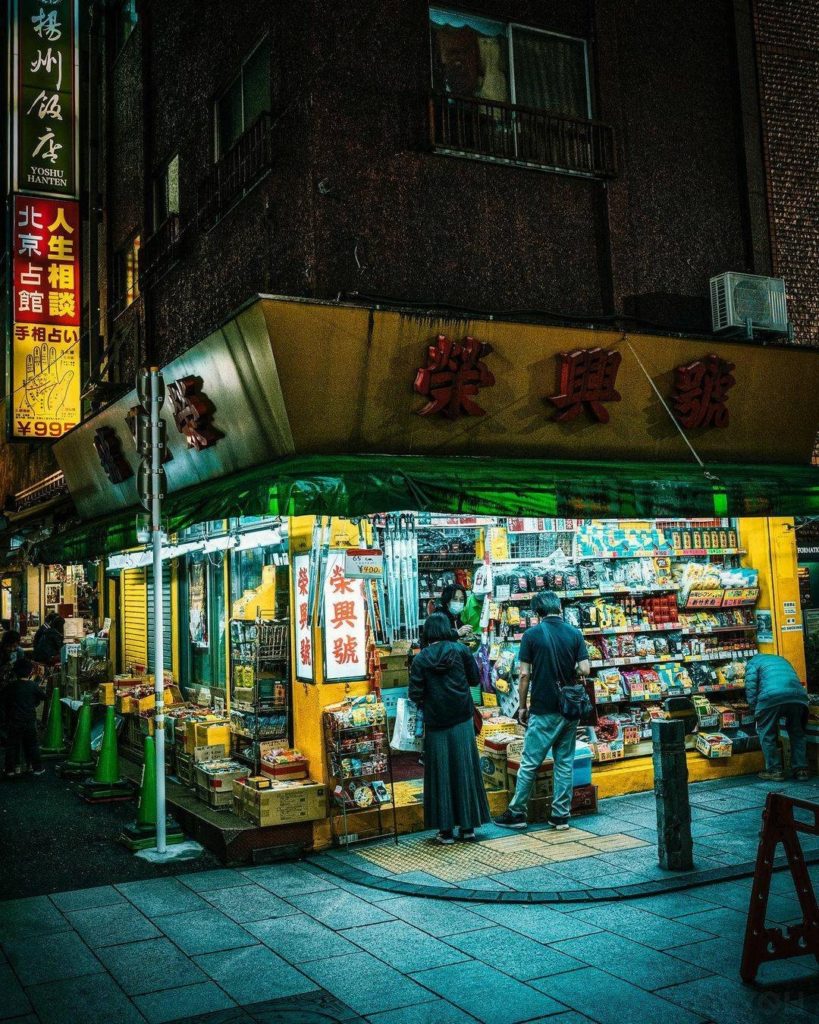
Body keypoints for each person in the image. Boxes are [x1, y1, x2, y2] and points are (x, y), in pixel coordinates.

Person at [495, 591, 590, 831]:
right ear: (559, 607)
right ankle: (560, 816)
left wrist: (523, 706)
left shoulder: (531, 635)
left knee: (530, 762)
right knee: (564, 761)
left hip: (544, 707)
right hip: (569, 709)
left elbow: (524, 674)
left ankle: (517, 812)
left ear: (537, 612)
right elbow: (585, 669)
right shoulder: (575, 633)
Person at [409, 611, 490, 844]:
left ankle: (445, 831)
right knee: (465, 771)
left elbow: (415, 694)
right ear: (447, 629)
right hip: (463, 720)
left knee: (440, 774)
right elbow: (475, 680)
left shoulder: (421, 659)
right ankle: (468, 828)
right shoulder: (461, 651)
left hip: (436, 724)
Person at [745, 652, 809, 781]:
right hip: (797, 696)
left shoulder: (753, 662)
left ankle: (774, 770)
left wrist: (754, 709)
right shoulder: (782, 659)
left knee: (767, 733)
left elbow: (751, 688)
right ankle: (801, 770)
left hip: (771, 698)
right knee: (797, 732)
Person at [4, 659, 46, 777]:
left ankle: (10, 770)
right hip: (29, 720)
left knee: (12, 745)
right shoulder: (33, 686)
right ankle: (37, 768)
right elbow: (43, 696)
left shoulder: (10, 686)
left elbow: (4, 700)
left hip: (14, 720)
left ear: (15, 672)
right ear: (30, 672)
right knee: (32, 744)